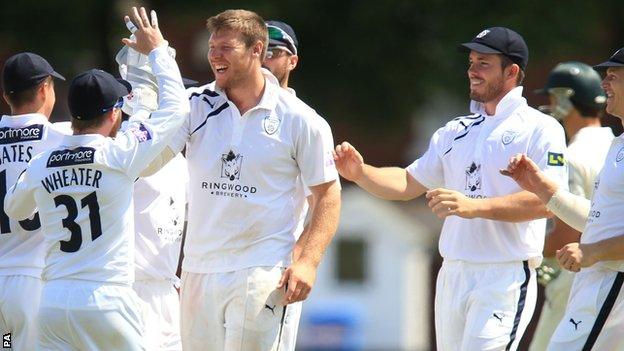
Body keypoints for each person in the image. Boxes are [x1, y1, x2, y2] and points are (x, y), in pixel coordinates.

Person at [334, 26, 567, 350]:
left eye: (483, 62)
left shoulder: (542, 128)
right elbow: (407, 182)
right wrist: (361, 173)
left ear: (512, 71)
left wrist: (473, 207)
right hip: (453, 273)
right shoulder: (453, 131)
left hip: (503, 274)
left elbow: (548, 201)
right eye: (471, 61)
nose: (472, 70)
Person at [4, 7, 189, 350]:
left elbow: (14, 208)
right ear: (116, 113)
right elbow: (177, 109)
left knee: (5, 344)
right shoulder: (119, 155)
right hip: (107, 302)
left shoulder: (44, 161)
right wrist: (159, 51)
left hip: (53, 304)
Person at [163, 9, 340, 350]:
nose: (214, 56)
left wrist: (307, 262)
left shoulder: (301, 120)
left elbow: (328, 196)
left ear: (256, 50)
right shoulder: (194, 105)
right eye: (212, 47)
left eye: (226, 47)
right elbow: (151, 152)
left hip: (262, 271)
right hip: (199, 268)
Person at [502, 47, 624, 351]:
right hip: (597, 280)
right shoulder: (616, 143)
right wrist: (544, 190)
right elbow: (600, 220)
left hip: (610, 283)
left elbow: (589, 237)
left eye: (613, 77)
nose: (604, 85)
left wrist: (591, 251)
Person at [529, 62, 612, 351]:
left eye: (553, 98)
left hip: (574, 273)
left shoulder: (573, 155)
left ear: (564, 99)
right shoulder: (613, 144)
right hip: (608, 275)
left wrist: (532, 252)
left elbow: (565, 235)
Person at [0, 52, 66, 351]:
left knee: (6, 344)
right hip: (33, 284)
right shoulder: (60, 140)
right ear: (44, 89)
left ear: (5, 96)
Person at [263, 20, 299, 92]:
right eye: (257, 51)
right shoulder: (235, 102)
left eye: (273, 52)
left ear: (292, 62)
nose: (262, 60)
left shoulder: (295, 103)